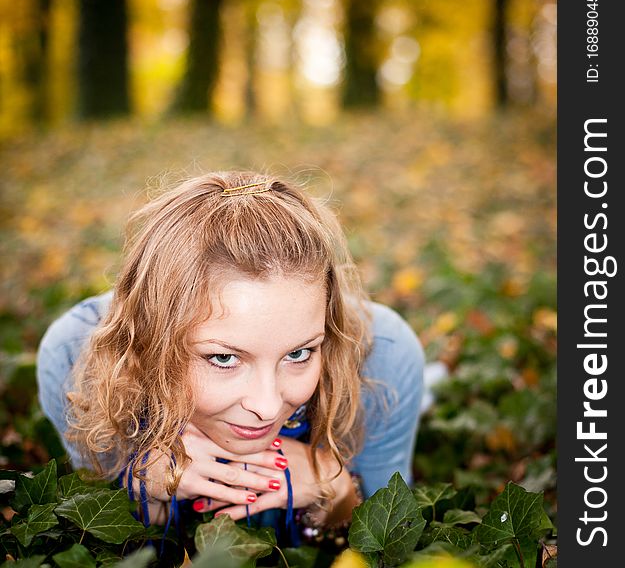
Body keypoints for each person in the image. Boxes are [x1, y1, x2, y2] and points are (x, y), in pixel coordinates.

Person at [36, 172, 426, 548]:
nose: (267, 406)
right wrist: (142, 488)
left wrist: (336, 487)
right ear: (151, 341)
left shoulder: (382, 356)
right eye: (224, 358)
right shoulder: (78, 358)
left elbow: (388, 539)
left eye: (299, 353)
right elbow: (103, 541)